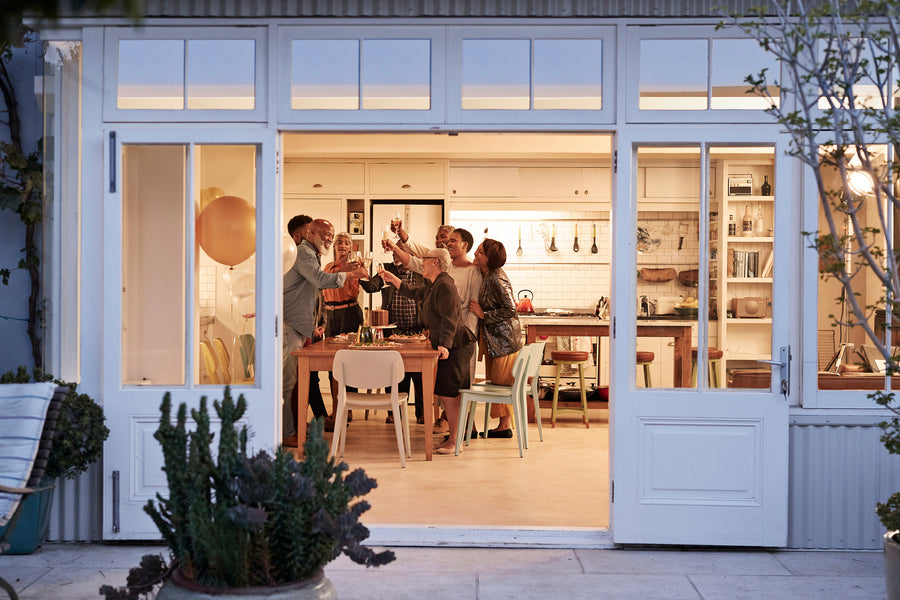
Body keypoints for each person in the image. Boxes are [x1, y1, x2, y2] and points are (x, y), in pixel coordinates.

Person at [385, 227, 482, 435]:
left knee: (448, 394)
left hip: (457, 345)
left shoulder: (445, 285)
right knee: (448, 394)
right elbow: (417, 293)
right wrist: (395, 280)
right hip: (453, 344)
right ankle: (456, 438)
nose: (421, 263)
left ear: (435, 262)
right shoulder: (435, 283)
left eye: (425, 259)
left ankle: (455, 437)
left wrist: (444, 345)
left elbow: (449, 318)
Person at [282, 217, 367, 447]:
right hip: (291, 325)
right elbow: (320, 280)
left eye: (332, 235)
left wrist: (317, 322)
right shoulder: (304, 252)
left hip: (302, 326)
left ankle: (298, 425)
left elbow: (314, 289)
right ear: (310, 234)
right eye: (327, 236)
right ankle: (286, 432)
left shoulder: (313, 255)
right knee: (288, 382)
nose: (330, 239)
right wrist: (350, 274)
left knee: (300, 380)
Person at [469, 238, 522, 438]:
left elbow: (510, 309)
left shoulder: (496, 278)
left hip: (505, 342)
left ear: (490, 258)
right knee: (498, 382)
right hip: (496, 341)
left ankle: (505, 426)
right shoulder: (487, 275)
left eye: (480, 252)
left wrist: (484, 315)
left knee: (501, 383)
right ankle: (503, 426)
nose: (476, 253)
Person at [364, 260, 426, 424]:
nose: (395, 254)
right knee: (395, 373)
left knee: (419, 374)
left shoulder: (420, 270)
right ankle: (394, 411)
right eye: (394, 250)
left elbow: (428, 298)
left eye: (399, 250)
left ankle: (422, 412)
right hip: (391, 330)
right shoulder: (387, 269)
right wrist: (361, 273)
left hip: (418, 331)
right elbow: (370, 287)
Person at [322, 232, 366, 415]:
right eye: (339, 242)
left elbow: (353, 290)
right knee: (333, 363)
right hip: (330, 316)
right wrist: (341, 270)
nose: (342, 245)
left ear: (350, 248)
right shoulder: (327, 267)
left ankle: (349, 407)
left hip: (349, 314)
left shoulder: (355, 266)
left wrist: (349, 272)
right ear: (334, 246)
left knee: (350, 361)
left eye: (346, 243)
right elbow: (324, 285)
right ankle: (337, 407)